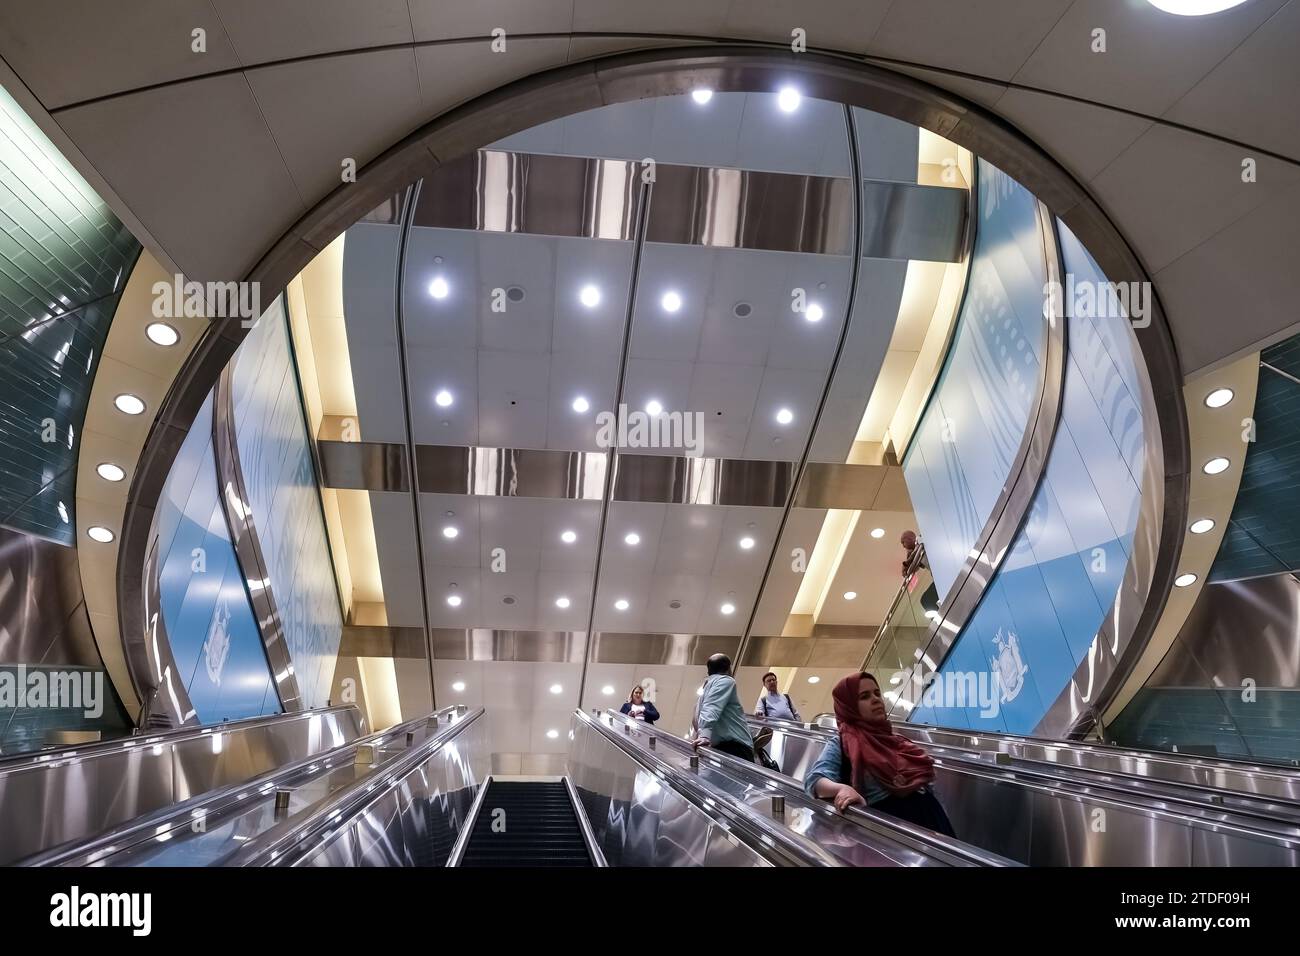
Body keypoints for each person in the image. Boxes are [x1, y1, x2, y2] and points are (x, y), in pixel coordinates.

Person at [804, 671, 956, 837]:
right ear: (849, 706)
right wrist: (842, 789)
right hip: (893, 829)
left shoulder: (896, 739)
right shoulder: (842, 743)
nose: (875, 699)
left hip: (932, 818)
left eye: (877, 693)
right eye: (864, 696)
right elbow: (814, 781)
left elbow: (926, 785)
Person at [690, 653, 754, 762]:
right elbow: (712, 707)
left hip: (720, 748)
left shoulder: (706, 689)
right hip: (736, 748)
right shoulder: (726, 681)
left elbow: (695, 720)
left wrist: (701, 734)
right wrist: (704, 736)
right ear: (729, 668)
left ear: (708, 671)